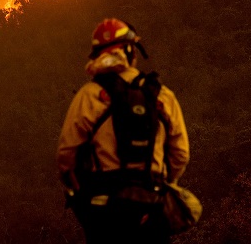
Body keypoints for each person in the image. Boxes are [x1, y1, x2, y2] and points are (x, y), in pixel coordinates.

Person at [56, 19, 190, 244]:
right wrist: (162, 185)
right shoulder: (161, 95)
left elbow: (66, 157)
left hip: (106, 213)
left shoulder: (90, 96)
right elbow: (180, 155)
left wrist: (80, 192)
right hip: (152, 208)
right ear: (130, 50)